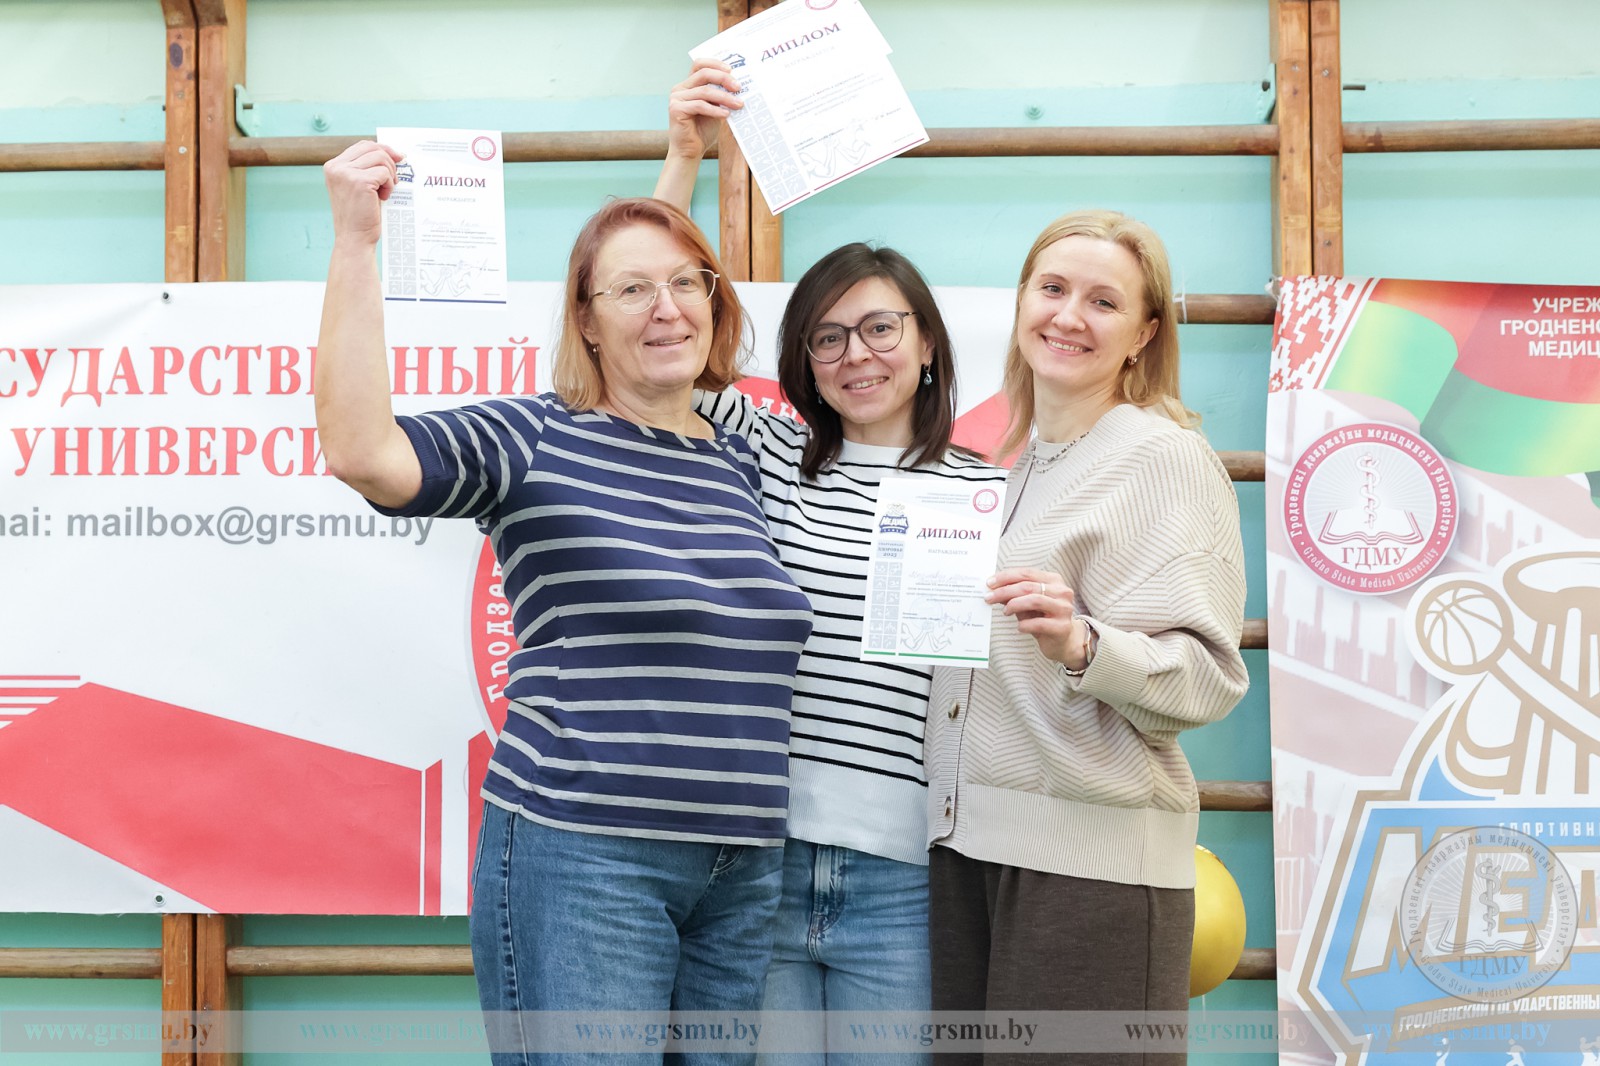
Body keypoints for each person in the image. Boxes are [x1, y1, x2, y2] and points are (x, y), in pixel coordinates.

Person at [316, 140, 815, 1066]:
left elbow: (652, 275)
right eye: (631, 292)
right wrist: (355, 240)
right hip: (588, 856)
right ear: (585, 320)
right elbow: (363, 452)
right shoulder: (536, 439)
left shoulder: (738, 455)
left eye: (688, 285)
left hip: (741, 867)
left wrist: (684, 152)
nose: (666, 307)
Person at [656, 63, 1006, 1066]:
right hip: (758, 865)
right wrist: (683, 154)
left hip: (905, 877)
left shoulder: (988, 493)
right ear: (805, 364)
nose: (857, 354)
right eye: (827, 337)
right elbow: (645, 343)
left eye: (880, 327)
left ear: (927, 343)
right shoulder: (767, 452)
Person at [923, 210, 1249, 1065]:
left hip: (1090, 876)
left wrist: (1084, 645)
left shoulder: (1164, 458)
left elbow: (1209, 678)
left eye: (1104, 301)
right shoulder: (1012, 469)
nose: (1069, 315)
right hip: (968, 859)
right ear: (1022, 301)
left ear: (1144, 334)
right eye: (1053, 288)